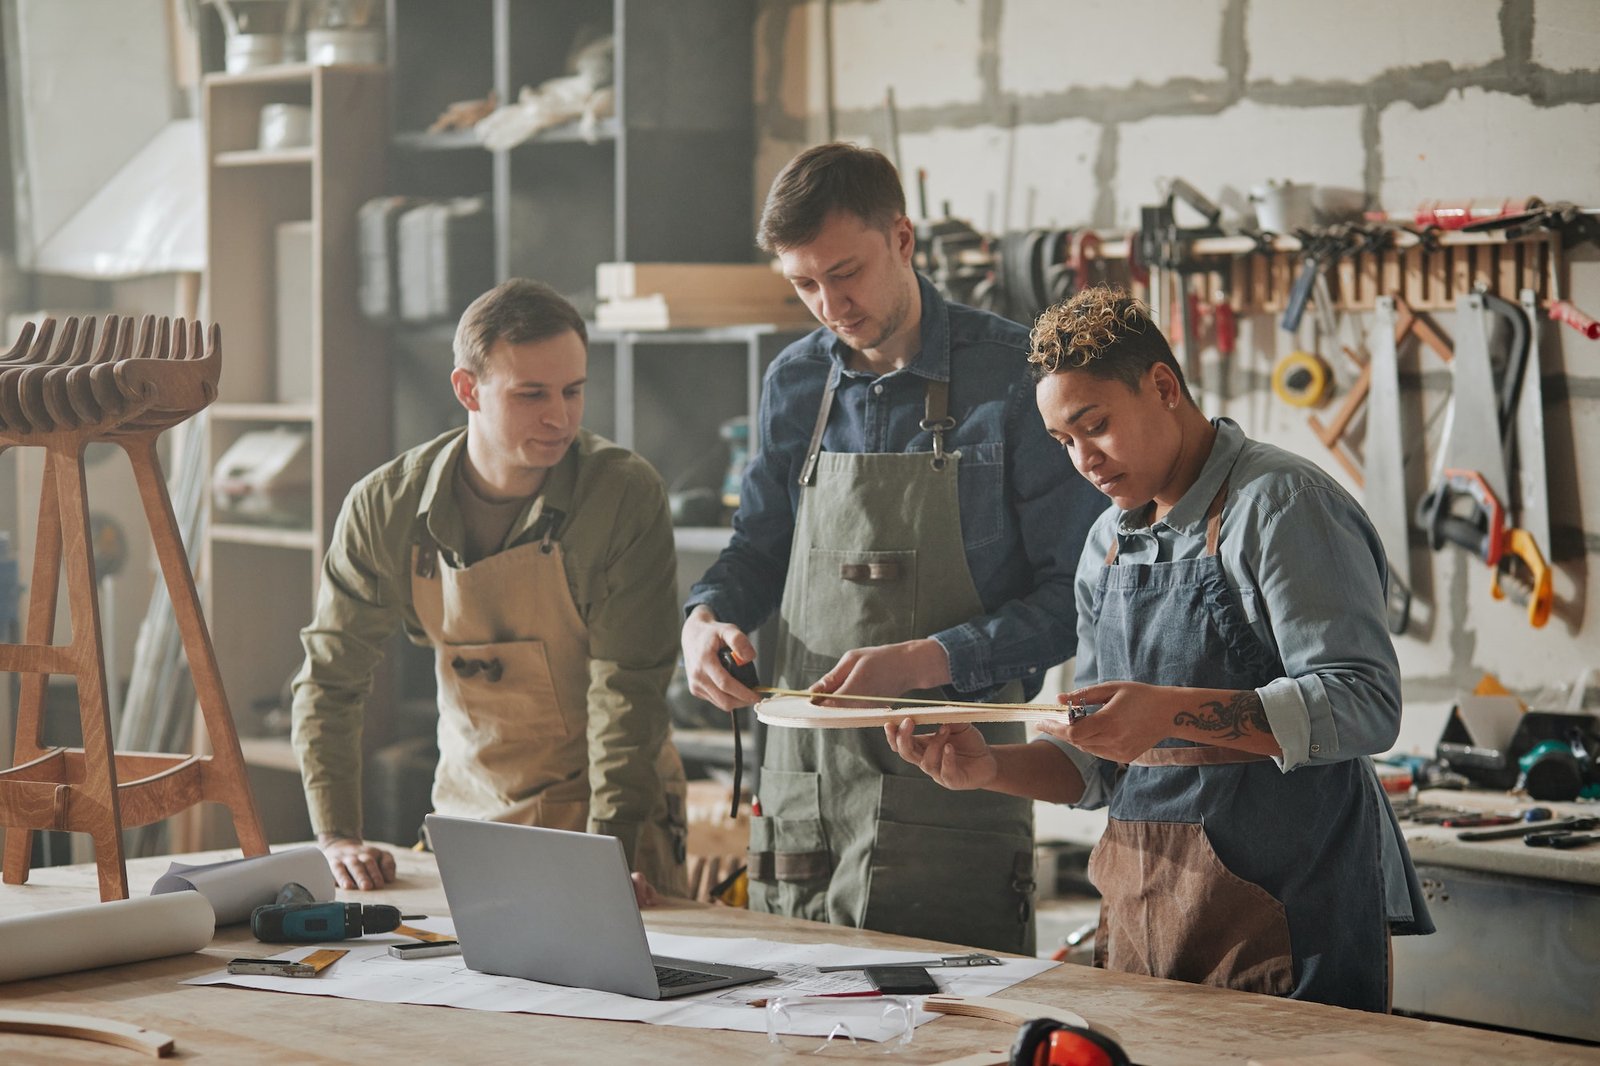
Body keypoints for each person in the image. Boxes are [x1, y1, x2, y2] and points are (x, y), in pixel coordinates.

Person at [886, 287, 1432, 1010]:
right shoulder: (1106, 546)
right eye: (1064, 441)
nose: (1083, 459)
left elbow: (1366, 704)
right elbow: (1099, 763)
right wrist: (988, 767)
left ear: (1164, 387)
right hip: (1147, 923)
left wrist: (1170, 714)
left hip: (1290, 928)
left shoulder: (1279, 505)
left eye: (1095, 425)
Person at [681, 143, 1103, 954]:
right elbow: (757, 548)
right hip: (804, 795)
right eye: (804, 284)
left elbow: (1072, 605)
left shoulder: (1018, 378)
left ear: (902, 239)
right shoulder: (794, 382)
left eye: (846, 272)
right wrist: (707, 617)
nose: (830, 304)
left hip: (955, 784)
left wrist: (927, 661)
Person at [293, 278, 688, 902]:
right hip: (468, 819)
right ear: (467, 389)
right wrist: (336, 833)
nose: (559, 416)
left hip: (609, 818)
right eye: (531, 394)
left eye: (573, 390)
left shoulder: (621, 496)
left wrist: (607, 847)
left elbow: (628, 689)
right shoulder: (385, 507)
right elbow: (331, 679)